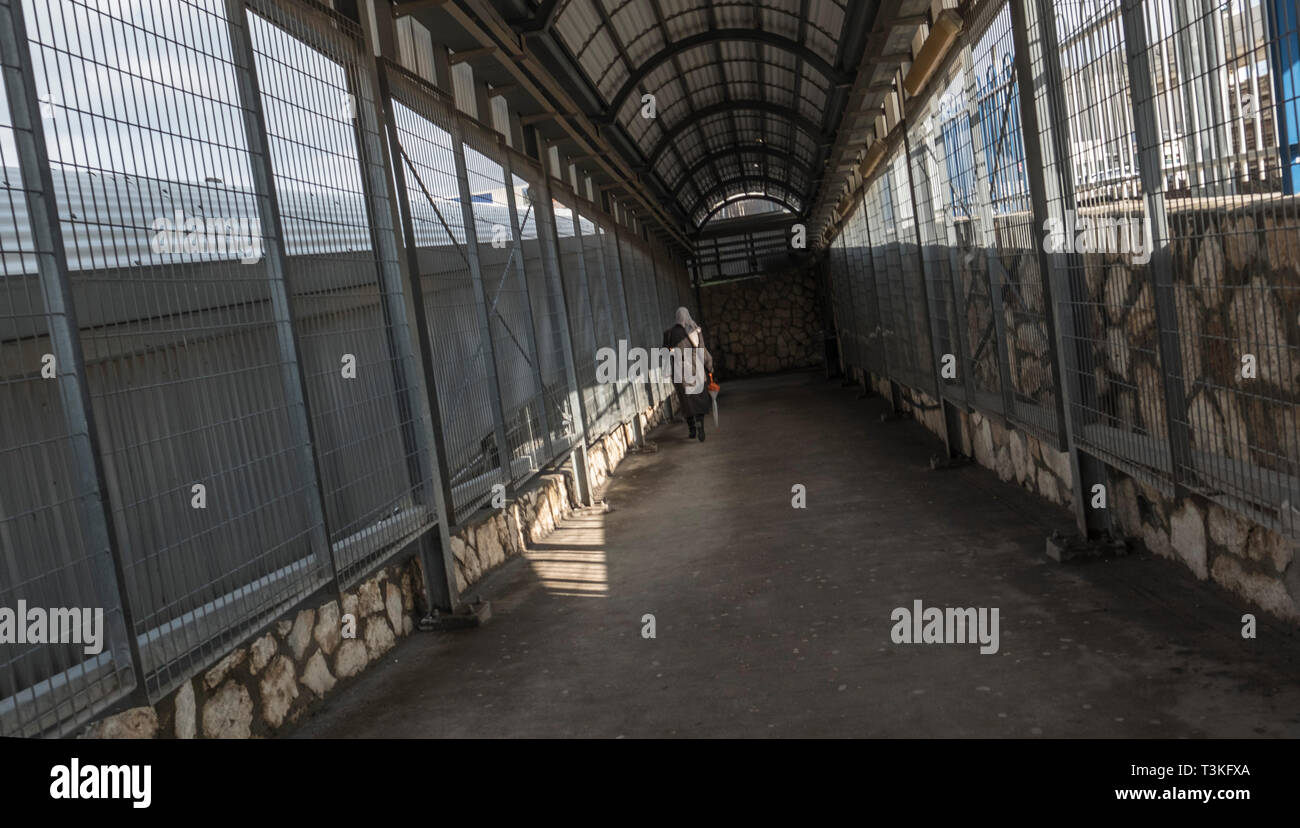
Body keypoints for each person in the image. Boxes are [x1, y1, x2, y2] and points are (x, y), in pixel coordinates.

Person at [662, 307, 713, 441]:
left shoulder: (669, 334)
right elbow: (702, 350)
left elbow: (665, 354)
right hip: (696, 371)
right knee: (698, 400)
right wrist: (709, 366)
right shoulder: (695, 330)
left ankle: (692, 430)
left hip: (680, 373)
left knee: (686, 401)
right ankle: (700, 425)